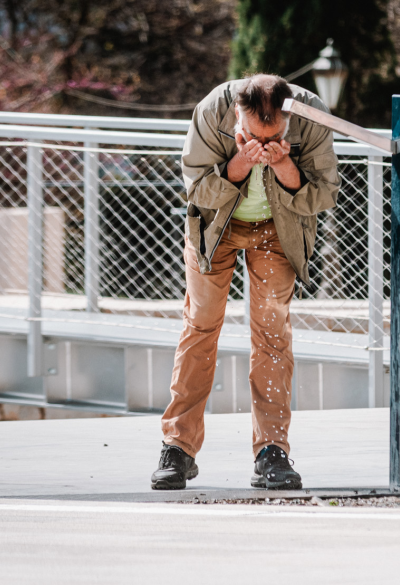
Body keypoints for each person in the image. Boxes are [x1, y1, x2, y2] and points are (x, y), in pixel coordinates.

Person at [151, 73, 340, 490]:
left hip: (278, 229)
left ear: (288, 117)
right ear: (238, 113)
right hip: (215, 227)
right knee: (200, 326)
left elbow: (325, 193)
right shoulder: (211, 109)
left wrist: (283, 164)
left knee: (272, 334)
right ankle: (178, 447)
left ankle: (272, 450)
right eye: (254, 136)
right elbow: (196, 189)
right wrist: (240, 163)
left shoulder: (308, 114)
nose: (264, 144)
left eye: (274, 138)